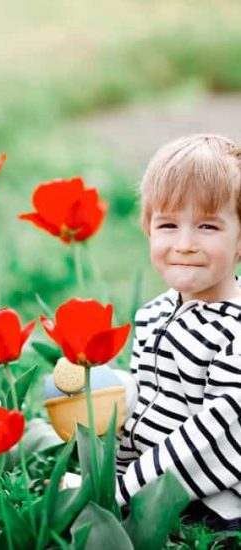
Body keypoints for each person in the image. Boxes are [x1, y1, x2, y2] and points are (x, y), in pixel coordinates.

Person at [116, 133, 241, 532]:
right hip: (146, 487)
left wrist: (115, 492)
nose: (185, 244)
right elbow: (142, 418)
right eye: (168, 224)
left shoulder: (235, 334)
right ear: (148, 229)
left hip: (214, 507)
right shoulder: (152, 315)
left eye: (208, 225)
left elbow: (210, 438)